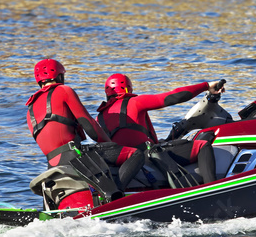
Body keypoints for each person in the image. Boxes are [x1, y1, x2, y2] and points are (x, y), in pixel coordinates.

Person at [26, 59, 143, 192]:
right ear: (59, 76)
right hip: (73, 157)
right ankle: (118, 193)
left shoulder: (30, 109)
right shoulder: (63, 90)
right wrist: (110, 145)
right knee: (136, 154)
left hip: (51, 164)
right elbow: (90, 125)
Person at [96, 74, 225, 184]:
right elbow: (174, 96)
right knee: (202, 145)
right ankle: (212, 189)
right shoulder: (135, 102)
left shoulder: (99, 117)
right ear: (128, 88)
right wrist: (206, 86)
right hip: (147, 157)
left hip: (126, 162)